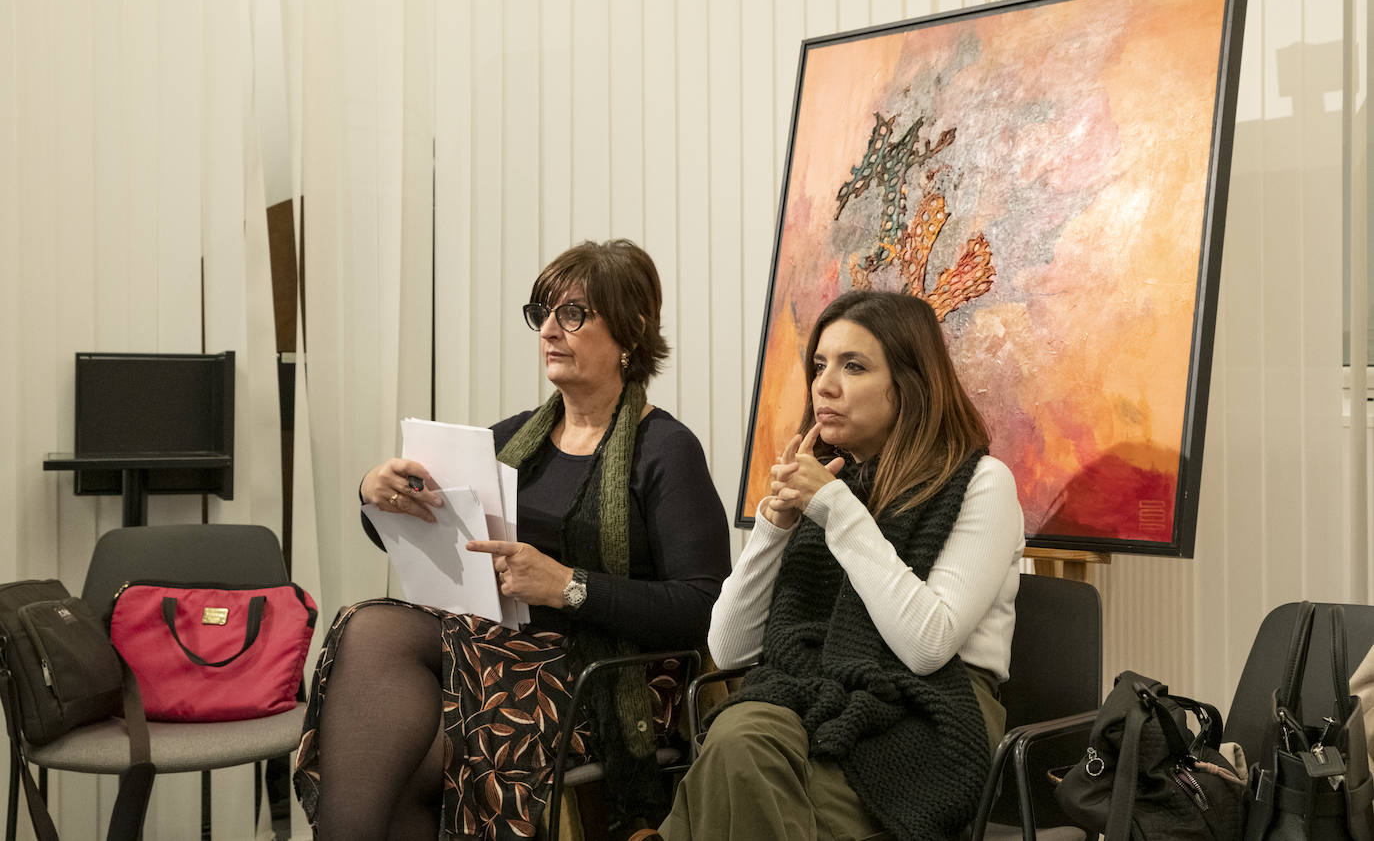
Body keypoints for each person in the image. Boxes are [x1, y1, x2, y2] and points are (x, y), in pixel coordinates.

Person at [292, 239, 731, 841]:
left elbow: (705, 609)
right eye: (543, 312)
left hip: (605, 676)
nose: (550, 329)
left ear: (630, 330)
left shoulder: (666, 450)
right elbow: (408, 526)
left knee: (401, 721)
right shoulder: (513, 438)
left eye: (573, 313)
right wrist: (374, 493)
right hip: (500, 648)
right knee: (372, 652)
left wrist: (569, 587)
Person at [648, 290, 1025, 841]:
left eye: (854, 367)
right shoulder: (829, 484)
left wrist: (836, 511)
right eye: (820, 365)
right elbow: (730, 650)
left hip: (934, 712)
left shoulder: (982, 482)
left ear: (909, 385)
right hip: (812, 692)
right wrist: (772, 529)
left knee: (741, 786)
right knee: (737, 742)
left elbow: (928, 646)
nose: (825, 385)